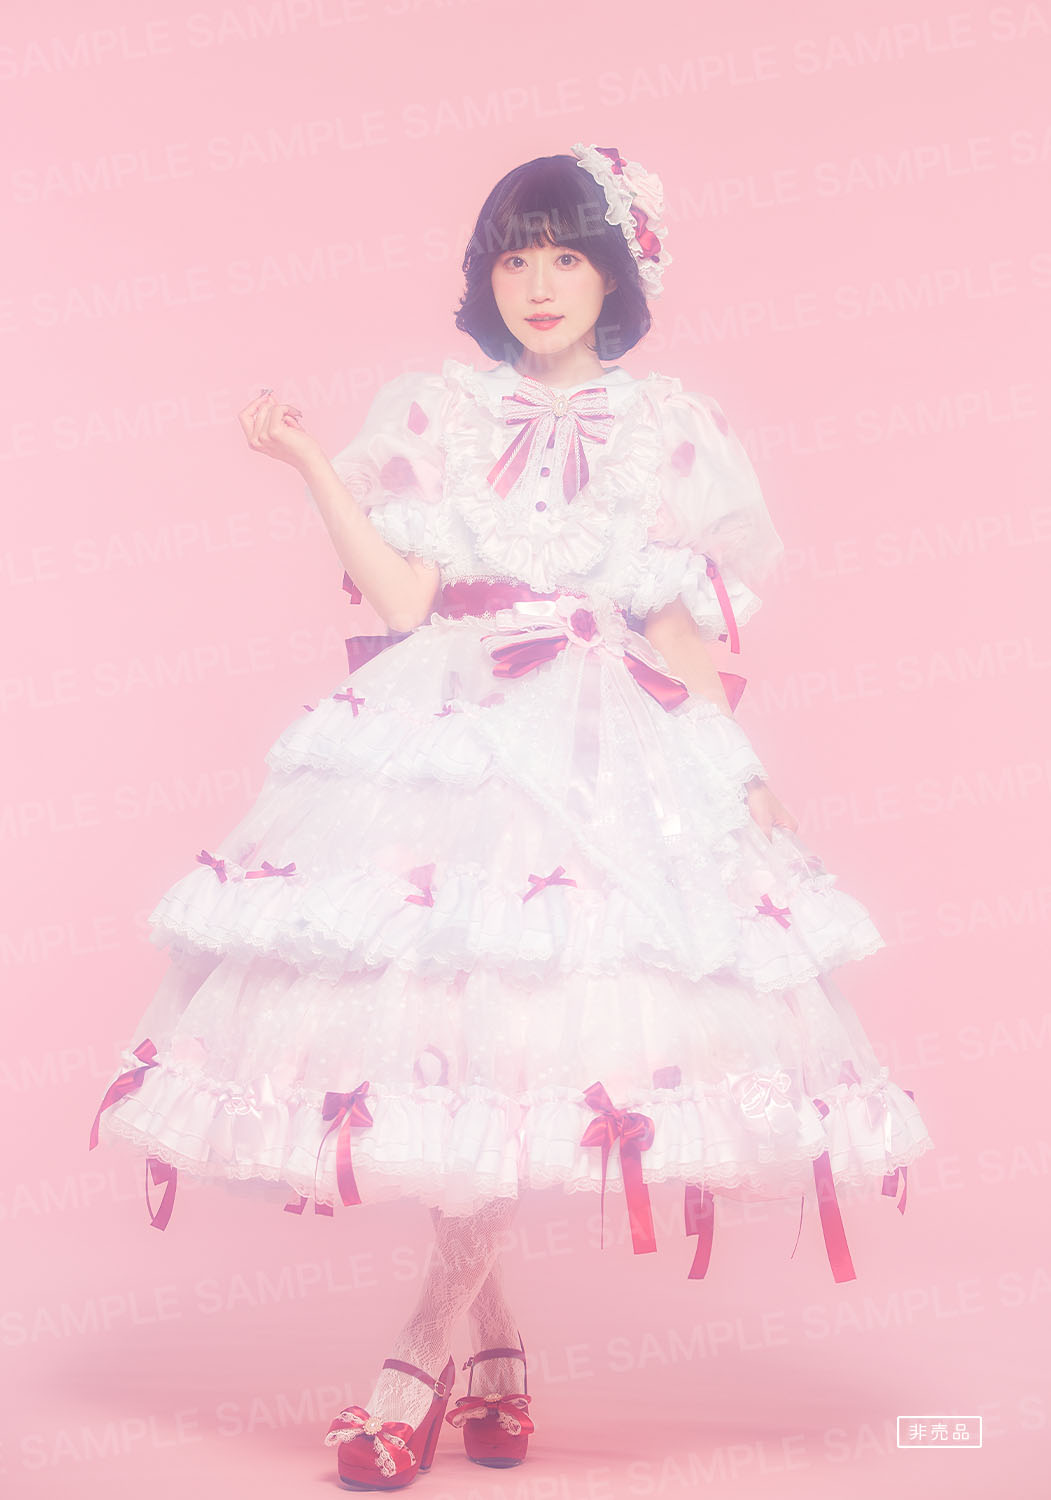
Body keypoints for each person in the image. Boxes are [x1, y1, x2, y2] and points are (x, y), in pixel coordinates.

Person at [88, 144, 934, 1491]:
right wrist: (308, 461)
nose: (539, 283)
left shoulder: (671, 427)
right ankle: (488, 1356)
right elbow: (404, 600)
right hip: (451, 734)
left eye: (568, 255)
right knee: (458, 1045)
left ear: (619, 275)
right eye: (515, 255)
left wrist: (738, 772)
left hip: (610, 757)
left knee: (531, 1044)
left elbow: (677, 631)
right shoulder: (437, 409)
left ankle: (420, 1358)